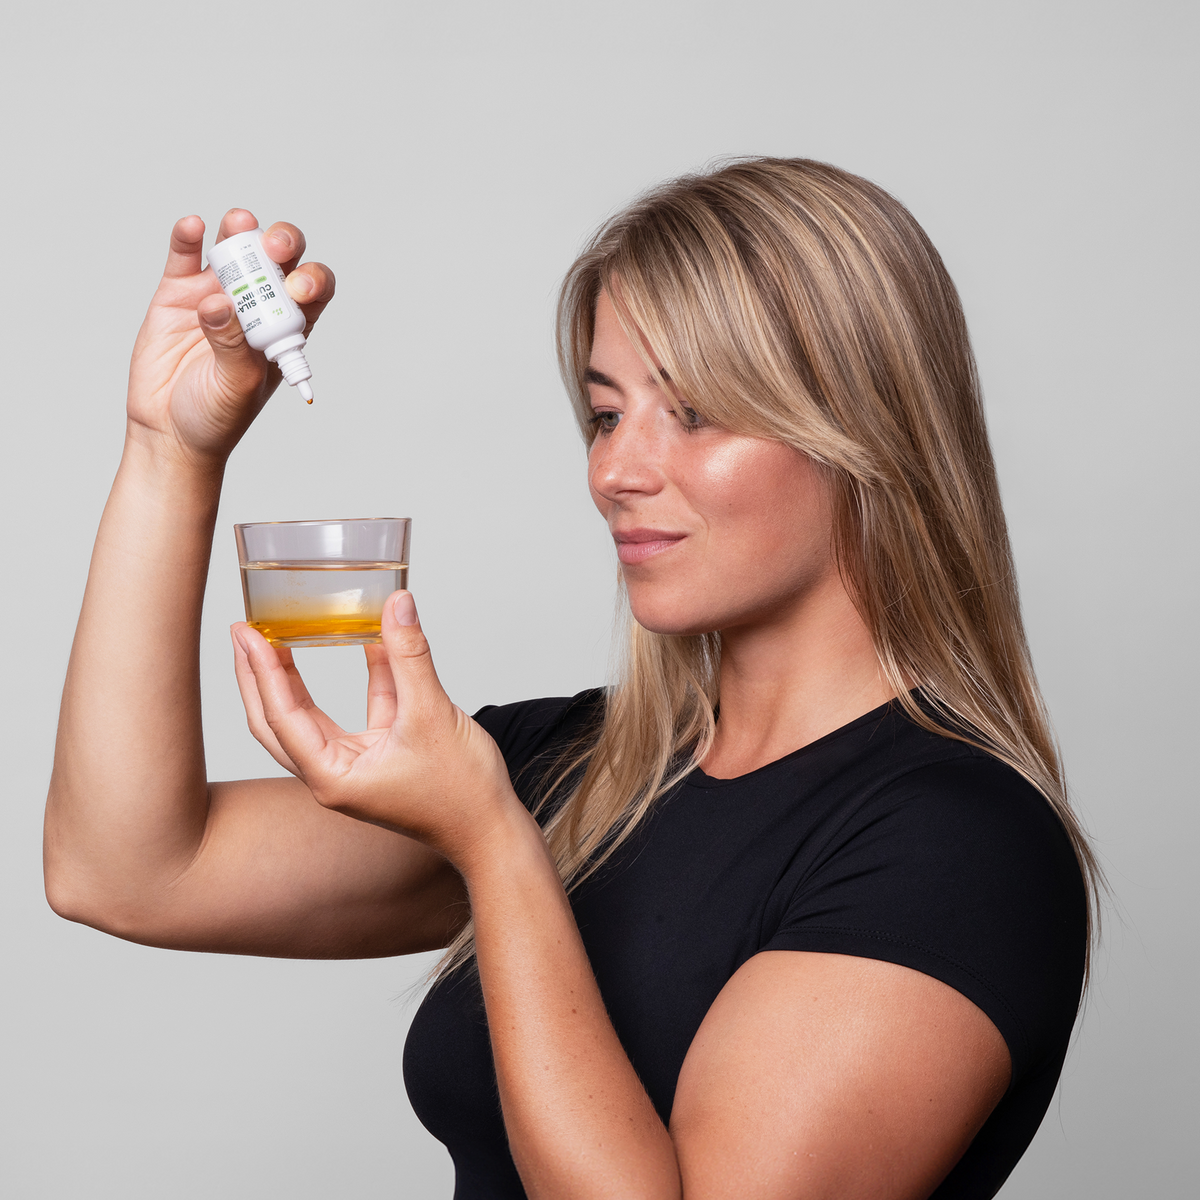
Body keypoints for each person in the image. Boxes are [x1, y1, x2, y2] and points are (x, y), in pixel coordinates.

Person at [45, 157, 1096, 1199]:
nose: (615, 471)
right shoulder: (579, 770)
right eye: (605, 414)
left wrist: (493, 843)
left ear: (866, 429)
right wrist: (168, 452)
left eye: (693, 412)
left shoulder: (960, 847)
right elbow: (125, 869)